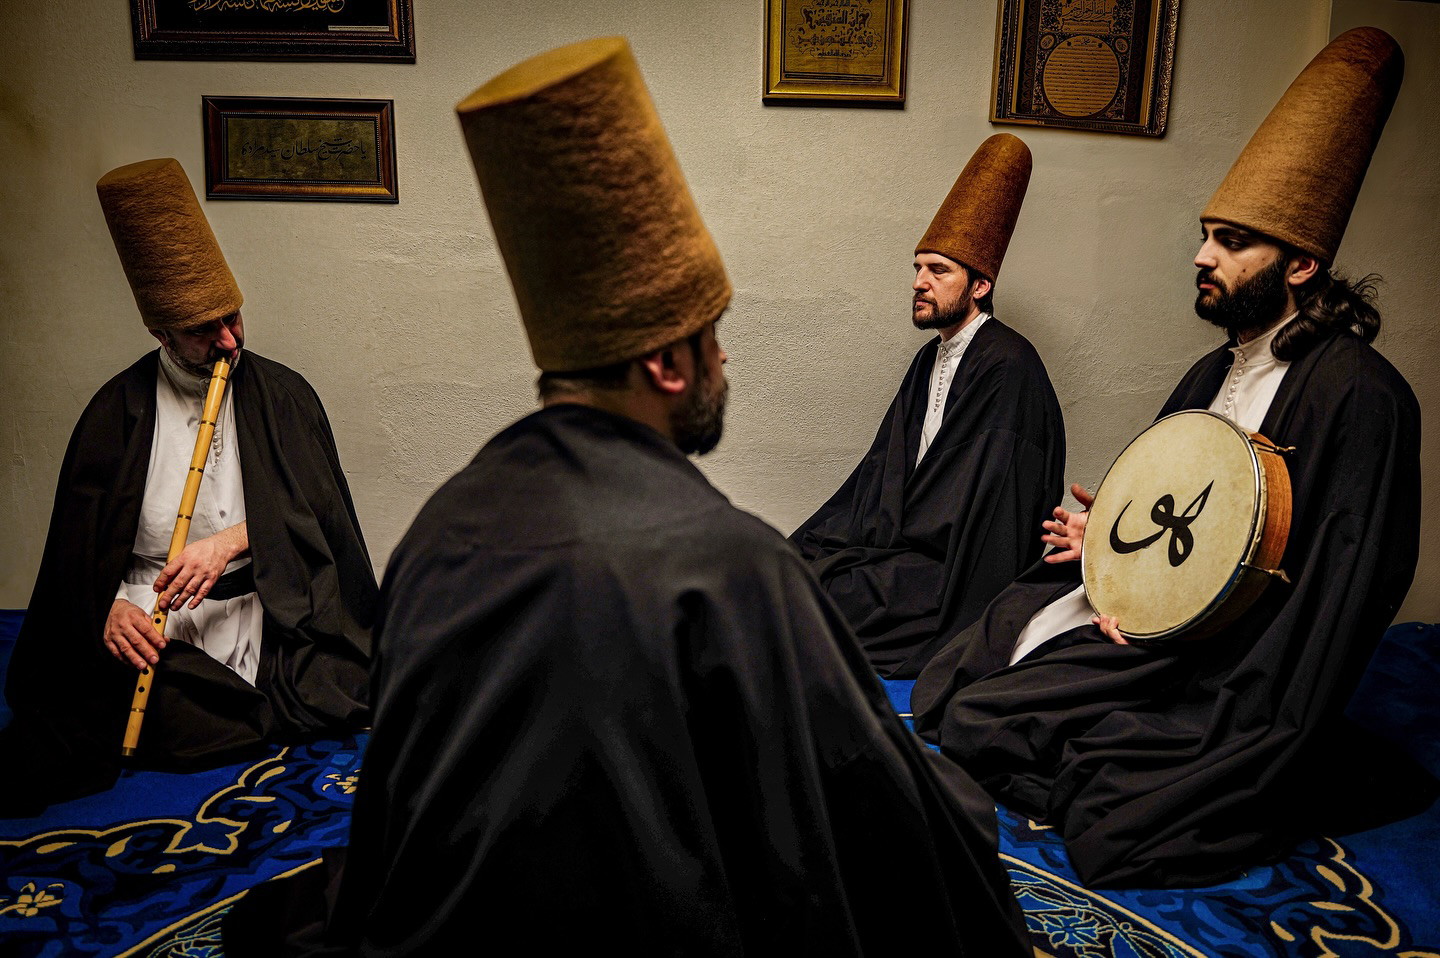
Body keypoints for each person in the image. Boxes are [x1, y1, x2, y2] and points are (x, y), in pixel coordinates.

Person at [225, 37, 1029, 955]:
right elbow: (866, 802)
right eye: (712, 339)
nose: (724, 360)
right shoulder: (733, 563)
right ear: (664, 362)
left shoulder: (442, 524)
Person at [912, 27, 1424, 888]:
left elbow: (1338, 589)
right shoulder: (1209, 369)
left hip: (1238, 658)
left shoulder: (1361, 396)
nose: (1201, 256)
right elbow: (1173, 509)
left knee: (1066, 766)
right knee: (962, 679)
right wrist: (1103, 548)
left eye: (1229, 240)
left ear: (1300, 264)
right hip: (1147, 618)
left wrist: (1170, 622)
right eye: (1205, 234)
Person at [0, 158, 375, 813]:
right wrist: (110, 608)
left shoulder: (285, 396)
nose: (229, 341)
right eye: (205, 329)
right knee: (86, 709)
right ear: (160, 331)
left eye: (233, 317)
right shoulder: (114, 415)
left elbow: (327, 524)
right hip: (158, 626)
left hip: (269, 611)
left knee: (347, 683)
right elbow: (74, 565)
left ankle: (241, 707)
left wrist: (230, 542)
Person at [790, 134, 1064, 679]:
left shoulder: (1008, 364)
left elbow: (985, 504)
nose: (919, 283)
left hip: (952, 568)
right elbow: (880, 473)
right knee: (792, 563)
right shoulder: (928, 359)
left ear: (980, 285)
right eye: (918, 269)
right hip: (903, 548)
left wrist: (888, 553)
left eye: (939, 271)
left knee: (823, 600)